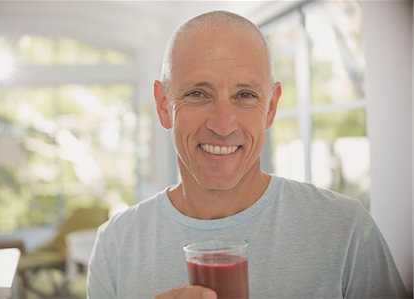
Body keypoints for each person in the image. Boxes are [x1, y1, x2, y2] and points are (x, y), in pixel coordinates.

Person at [87, 10, 407, 299]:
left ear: (271, 107)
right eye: (198, 94)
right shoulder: (116, 245)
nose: (223, 125)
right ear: (162, 105)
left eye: (245, 95)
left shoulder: (346, 231)